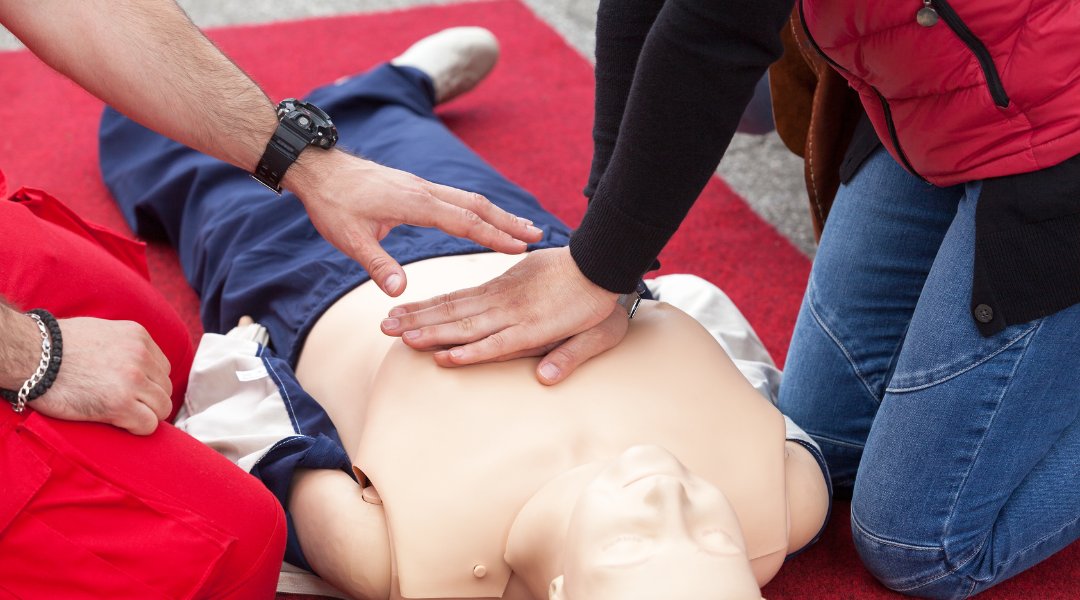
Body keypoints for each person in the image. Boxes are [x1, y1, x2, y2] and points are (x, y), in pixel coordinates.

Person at [99, 28, 832, 600]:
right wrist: (640, 292)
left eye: (635, 545)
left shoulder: (403, 562)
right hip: (542, 268)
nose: (666, 495)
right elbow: (724, 343)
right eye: (712, 536)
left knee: (197, 172)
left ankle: (201, 109)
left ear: (560, 591)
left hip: (329, 288)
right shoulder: (785, 501)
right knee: (436, 170)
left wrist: (266, 349)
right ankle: (390, 91)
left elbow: (263, 433)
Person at [381, 2, 1080, 598]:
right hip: (938, 90)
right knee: (820, 446)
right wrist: (604, 242)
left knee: (923, 548)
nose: (660, 493)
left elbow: (716, 30)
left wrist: (600, 269)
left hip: (1056, 125)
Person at [0, 1, 537, 595]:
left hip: (322, 300)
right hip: (498, 267)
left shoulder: (446, 571)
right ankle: (378, 96)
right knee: (230, 543)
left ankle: (157, 137)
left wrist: (305, 162)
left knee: (190, 306)